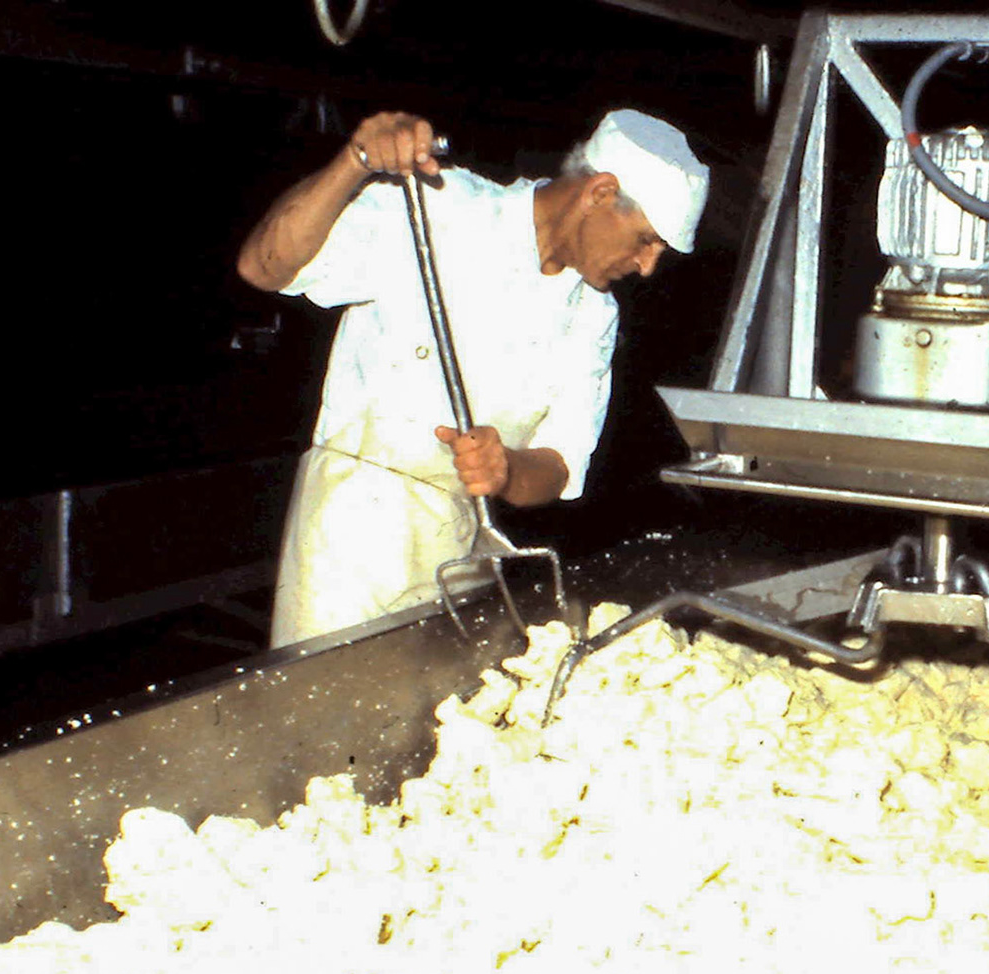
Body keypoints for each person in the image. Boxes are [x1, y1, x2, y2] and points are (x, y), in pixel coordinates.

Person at [236, 108, 710, 648]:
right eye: (646, 240)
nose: (647, 266)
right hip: (354, 532)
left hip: (466, 543)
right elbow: (263, 266)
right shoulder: (440, 209)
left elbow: (558, 465)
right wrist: (355, 162)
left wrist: (506, 470)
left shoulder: (593, 314)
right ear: (600, 193)